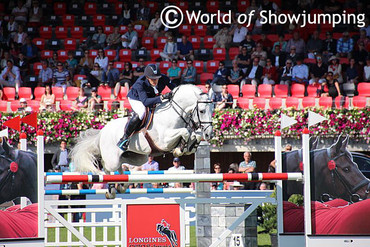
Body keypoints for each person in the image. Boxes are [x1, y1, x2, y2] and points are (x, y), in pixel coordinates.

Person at [117, 64, 176, 151]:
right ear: (147, 77)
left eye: (156, 78)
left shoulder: (163, 78)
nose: (155, 81)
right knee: (141, 112)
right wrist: (162, 97)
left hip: (152, 97)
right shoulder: (140, 83)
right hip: (137, 98)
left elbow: (174, 88)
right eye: (152, 79)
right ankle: (124, 138)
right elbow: (145, 102)